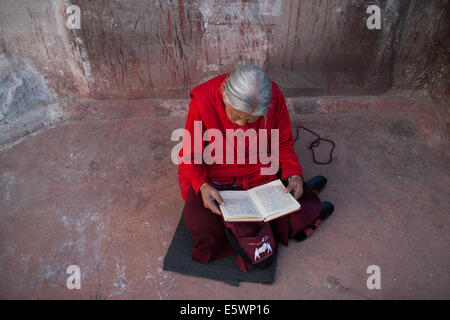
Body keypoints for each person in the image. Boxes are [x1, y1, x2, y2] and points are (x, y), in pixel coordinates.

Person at [177, 63, 334, 265]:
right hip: (214, 178)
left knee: (292, 206)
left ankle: (292, 211)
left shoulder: (274, 97)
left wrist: (293, 173)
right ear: (224, 93)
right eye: (236, 116)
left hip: (258, 174)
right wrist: (201, 185)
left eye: (251, 119)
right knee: (205, 229)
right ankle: (283, 225)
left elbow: (283, 142)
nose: (242, 125)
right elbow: (191, 154)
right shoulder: (203, 100)